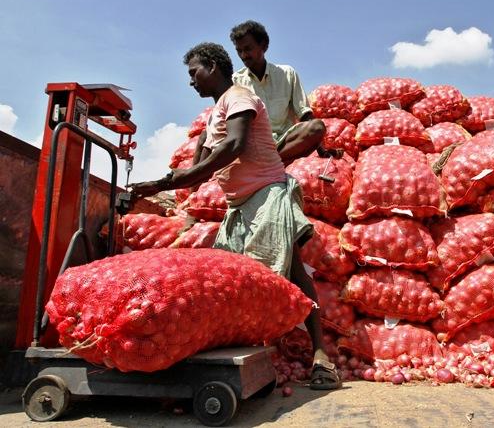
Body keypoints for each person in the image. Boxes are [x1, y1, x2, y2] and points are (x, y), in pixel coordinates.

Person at [129, 42, 341, 390]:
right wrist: (160, 185)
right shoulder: (215, 116)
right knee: (233, 278)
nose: (191, 81)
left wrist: (166, 181)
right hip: (239, 206)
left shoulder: (238, 96)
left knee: (291, 270)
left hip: (268, 192)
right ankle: (245, 350)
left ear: (213, 67)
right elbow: (199, 168)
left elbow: (235, 145)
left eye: (194, 72)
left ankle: (322, 356)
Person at [229, 20, 325, 165]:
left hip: (286, 142)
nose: (243, 55)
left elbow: (305, 114)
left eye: (248, 49)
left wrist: (322, 149)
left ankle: (269, 163)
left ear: (264, 46)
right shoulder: (236, 82)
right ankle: (272, 162)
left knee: (317, 127)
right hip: (256, 147)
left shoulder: (287, 74)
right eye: (239, 51)